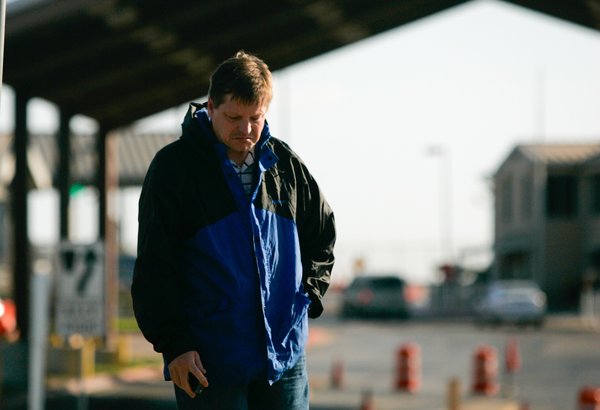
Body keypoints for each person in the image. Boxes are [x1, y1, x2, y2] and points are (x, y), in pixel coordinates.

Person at [131, 50, 336, 409]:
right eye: (233, 117)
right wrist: (175, 344)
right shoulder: (173, 170)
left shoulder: (286, 167)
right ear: (210, 107)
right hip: (208, 361)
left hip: (284, 359)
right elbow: (154, 266)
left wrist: (309, 297)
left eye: (255, 118)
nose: (245, 130)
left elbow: (323, 235)